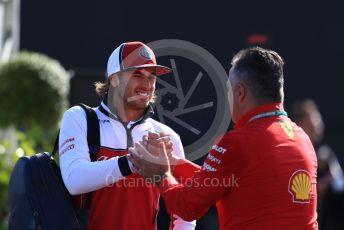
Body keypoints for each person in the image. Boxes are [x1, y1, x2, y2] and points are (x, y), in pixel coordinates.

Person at [129, 47, 318, 229]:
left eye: (228, 90)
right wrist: (176, 164)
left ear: (240, 92)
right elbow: (231, 182)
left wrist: (162, 174)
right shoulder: (302, 137)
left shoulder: (238, 142)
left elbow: (186, 206)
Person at [58, 41, 196, 230]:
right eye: (137, 75)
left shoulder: (166, 135)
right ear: (114, 78)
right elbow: (74, 180)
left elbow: (185, 209)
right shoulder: (80, 117)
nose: (147, 84)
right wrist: (134, 162)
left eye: (152, 76)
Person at [291, 99, 344, 229]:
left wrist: (333, 174)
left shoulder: (325, 154)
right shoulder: (293, 155)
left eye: (318, 121)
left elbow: (339, 185)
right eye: (312, 122)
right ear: (300, 124)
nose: (318, 125)